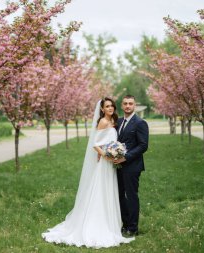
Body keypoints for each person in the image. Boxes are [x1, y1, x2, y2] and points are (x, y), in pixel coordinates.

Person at [42, 98, 134, 249]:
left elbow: (109, 141)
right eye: (107, 106)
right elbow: (95, 144)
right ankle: (97, 222)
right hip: (105, 163)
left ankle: (111, 222)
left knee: (110, 191)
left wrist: (116, 152)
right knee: (101, 190)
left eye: (112, 106)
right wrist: (106, 155)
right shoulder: (104, 122)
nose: (110, 108)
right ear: (102, 109)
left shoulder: (114, 121)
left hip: (112, 163)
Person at [114, 95, 149, 236]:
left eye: (130, 103)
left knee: (131, 196)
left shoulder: (140, 123)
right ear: (122, 106)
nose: (128, 106)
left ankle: (133, 228)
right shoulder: (118, 121)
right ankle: (125, 223)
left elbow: (143, 145)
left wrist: (125, 157)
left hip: (132, 166)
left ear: (134, 105)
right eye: (125, 103)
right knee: (120, 196)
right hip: (117, 166)